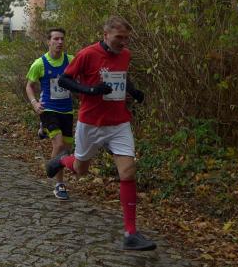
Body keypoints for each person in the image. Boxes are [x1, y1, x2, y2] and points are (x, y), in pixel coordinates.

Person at [46, 16, 153, 251]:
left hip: (119, 122)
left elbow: (122, 77)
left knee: (128, 171)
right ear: (106, 35)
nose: (123, 42)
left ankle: (130, 233)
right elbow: (64, 80)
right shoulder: (87, 54)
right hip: (91, 122)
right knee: (81, 170)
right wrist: (91, 90)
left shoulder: (125, 55)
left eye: (126, 38)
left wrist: (134, 91)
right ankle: (61, 160)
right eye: (119, 37)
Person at [25, 28, 75, 200]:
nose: (60, 42)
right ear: (49, 41)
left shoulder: (71, 60)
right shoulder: (39, 63)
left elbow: (81, 78)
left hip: (67, 110)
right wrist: (34, 103)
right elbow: (29, 86)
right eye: (56, 39)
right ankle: (59, 184)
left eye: (62, 39)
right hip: (48, 109)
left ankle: (43, 129)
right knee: (59, 145)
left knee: (66, 148)